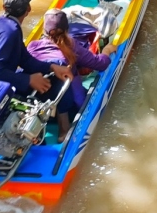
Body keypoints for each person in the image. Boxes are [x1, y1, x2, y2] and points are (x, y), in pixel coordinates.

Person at [27, 8, 115, 142]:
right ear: (66, 29)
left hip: (37, 99)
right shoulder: (71, 46)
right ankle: (64, 131)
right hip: (70, 105)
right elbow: (100, 64)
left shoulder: (32, 46)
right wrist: (107, 51)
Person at [0, 0, 71, 96]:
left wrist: (52, 67)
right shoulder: (11, 31)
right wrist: (28, 80)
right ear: (29, 9)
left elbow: (24, 59)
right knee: (58, 86)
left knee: (52, 69)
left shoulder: (3, 22)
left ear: (4, 7)